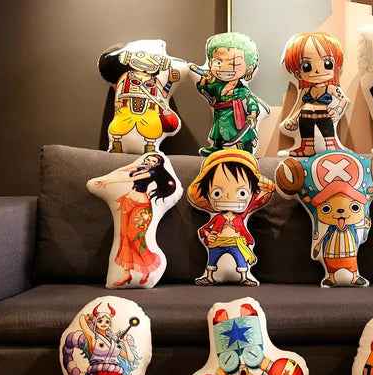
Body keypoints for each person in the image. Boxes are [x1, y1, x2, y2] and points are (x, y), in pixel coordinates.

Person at [188, 149, 274, 286]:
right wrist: (208, 235)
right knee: (212, 260)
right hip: (217, 243)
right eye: (217, 193)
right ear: (207, 193)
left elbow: (255, 201)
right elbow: (204, 230)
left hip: (236, 243)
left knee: (241, 260)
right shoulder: (217, 217)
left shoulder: (241, 216)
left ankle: (244, 277)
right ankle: (210, 277)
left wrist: (266, 190)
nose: (228, 197)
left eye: (242, 193)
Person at [94, 153, 178, 286]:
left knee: (135, 237)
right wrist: (135, 165)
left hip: (141, 206)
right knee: (123, 237)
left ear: (157, 164)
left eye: (153, 161)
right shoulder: (141, 168)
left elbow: (131, 179)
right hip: (127, 201)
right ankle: (126, 274)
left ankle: (146, 269)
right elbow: (123, 171)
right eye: (148, 159)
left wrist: (109, 182)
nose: (149, 162)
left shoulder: (153, 173)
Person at [98, 39, 181, 153]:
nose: (147, 61)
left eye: (155, 58)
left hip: (150, 108)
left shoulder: (154, 80)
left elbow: (164, 93)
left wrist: (170, 81)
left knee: (151, 129)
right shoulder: (126, 76)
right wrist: (118, 102)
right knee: (120, 126)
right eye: (140, 55)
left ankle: (150, 146)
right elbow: (119, 87)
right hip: (127, 105)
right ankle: (116, 144)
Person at [193, 32, 265, 156]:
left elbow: (251, 101)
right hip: (220, 113)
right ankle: (216, 147)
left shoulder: (241, 90)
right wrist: (204, 80)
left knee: (240, 133)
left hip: (235, 114)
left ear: (249, 69)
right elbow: (205, 90)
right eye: (218, 62)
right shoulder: (217, 86)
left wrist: (252, 114)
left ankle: (246, 148)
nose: (225, 68)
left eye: (234, 64)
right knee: (218, 132)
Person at [282, 31, 349, 156]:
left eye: (327, 64)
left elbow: (343, 100)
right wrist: (293, 118)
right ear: (298, 74)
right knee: (306, 137)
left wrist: (337, 110)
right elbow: (299, 106)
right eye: (306, 66)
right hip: (304, 117)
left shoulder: (331, 88)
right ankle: (307, 149)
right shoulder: (306, 90)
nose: (317, 70)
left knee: (329, 140)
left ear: (337, 69)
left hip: (324, 116)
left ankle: (331, 148)